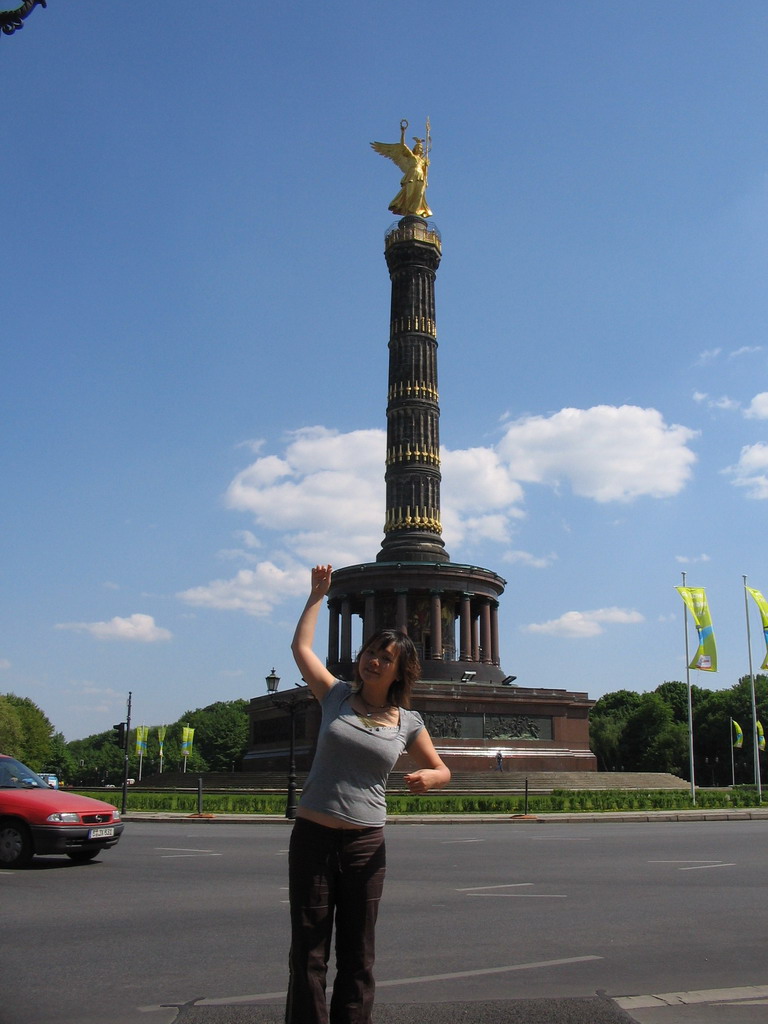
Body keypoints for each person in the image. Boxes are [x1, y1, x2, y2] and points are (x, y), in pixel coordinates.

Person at [286, 563, 450, 1024]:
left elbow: (442, 769)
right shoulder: (335, 695)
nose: (372, 660)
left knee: (358, 957)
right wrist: (317, 594)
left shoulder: (408, 722)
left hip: (364, 845)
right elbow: (301, 649)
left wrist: (429, 779)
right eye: (370, 652)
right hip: (314, 838)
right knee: (308, 953)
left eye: (384, 656)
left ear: (399, 670)